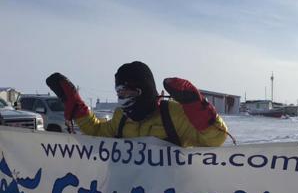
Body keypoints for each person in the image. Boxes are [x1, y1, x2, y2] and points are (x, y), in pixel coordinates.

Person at [46, 61, 228, 147]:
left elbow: (215, 140)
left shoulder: (173, 113)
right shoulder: (122, 117)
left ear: (145, 90)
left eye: (128, 92)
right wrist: (78, 109)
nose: (123, 98)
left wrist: (198, 109)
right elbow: (98, 133)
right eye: (119, 93)